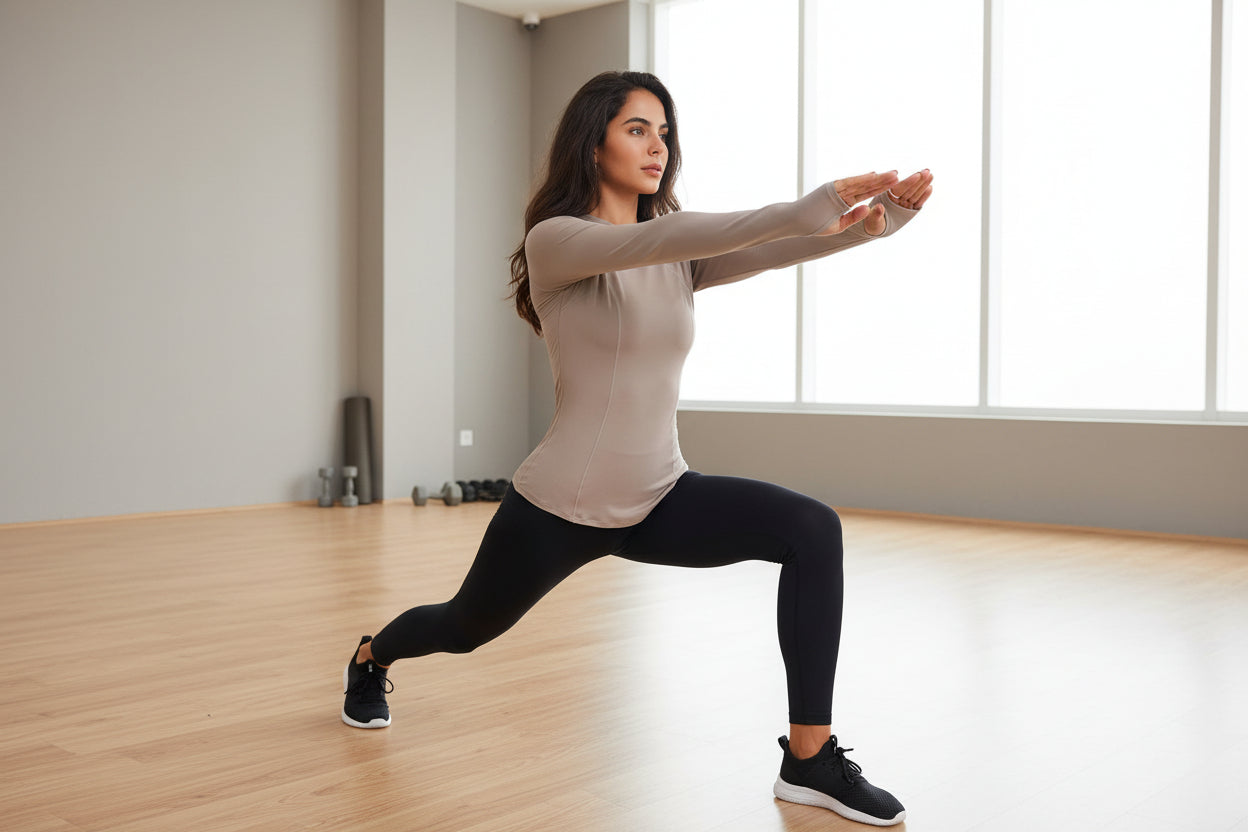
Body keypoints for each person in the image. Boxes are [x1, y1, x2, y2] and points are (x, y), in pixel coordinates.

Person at [342, 70, 932, 827]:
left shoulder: (675, 257)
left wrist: (870, 223)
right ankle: (371, 659)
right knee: (463, 628)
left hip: (659, 494)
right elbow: (676, 233)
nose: (658, 145)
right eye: (636, 128)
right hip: (561, 505)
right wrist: (805, 206)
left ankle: (809, 760)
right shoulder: (556, 242)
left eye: (663, 131)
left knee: (812, 528)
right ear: (593, 145)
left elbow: (769, 249)